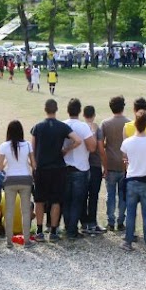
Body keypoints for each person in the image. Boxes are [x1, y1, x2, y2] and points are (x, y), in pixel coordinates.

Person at [30, 99, 82, 241]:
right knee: (56, 201)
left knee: (39, 200)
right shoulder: (62, 127)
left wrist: (33, 165)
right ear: (56, 109)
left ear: (45, 109)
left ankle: (40, 231)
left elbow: (32, 149)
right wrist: (65, 150)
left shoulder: (37, 127)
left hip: (41, 168)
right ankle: (53, 232)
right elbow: (78, 140)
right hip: (58, 168)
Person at [120, 111, 146, 254]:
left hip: (132, 180)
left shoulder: (127, 142)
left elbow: (125, 159)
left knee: (131, 212)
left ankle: (128, 241)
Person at [0, 120, 36, 248]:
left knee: (9, 211)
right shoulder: (28, 145)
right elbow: (33, 164)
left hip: (10, 180)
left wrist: (9, 164)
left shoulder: (4, 146)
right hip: (25, 179)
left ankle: (9, 241)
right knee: (25, 211)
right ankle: (26, 241)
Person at [62, 98, 95, 239]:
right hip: (80, 168)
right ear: (80, 111)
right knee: (77, 201)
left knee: (66, 200)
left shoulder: (62, 125)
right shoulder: (83, 127)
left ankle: (67, 226)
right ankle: (72, 230)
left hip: (64, 167)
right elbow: (92, 147)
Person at [102, 96, 130, 231]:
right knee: (123, 195)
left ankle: (111, 221)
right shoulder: (129, 123)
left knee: (110, 195)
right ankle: (121, 221)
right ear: (123, 107)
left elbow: (101, 144)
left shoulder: (105, 123)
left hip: (111, 163)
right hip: (125, 165)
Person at [83, 105, 107, 234]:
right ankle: (92, 223)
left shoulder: (80, 127)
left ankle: (83, 223)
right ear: (94, 115)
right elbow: (100, 148)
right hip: (95, 165)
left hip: (82, 165)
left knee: (82, 195)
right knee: (93, 195)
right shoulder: (96, 128)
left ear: (83, 114)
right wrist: (105, 166)